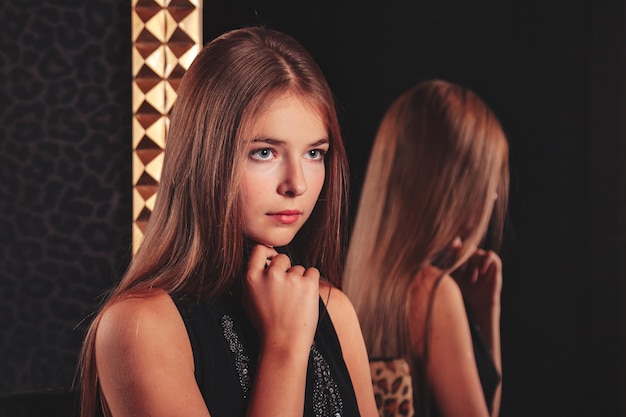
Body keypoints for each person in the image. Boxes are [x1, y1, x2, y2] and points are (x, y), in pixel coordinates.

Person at [76, 26, 378, 417]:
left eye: (314, 154)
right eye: (265, 152)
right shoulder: (139, 326)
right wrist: (284, 348)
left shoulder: (332, 307)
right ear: (206, 157)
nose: (297, 184)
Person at [342, 79, 509, 417]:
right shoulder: (431, 292)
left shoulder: (357, 282)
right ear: (455, 186)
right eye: (489, 178)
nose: (494, 196)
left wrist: (485, 312)